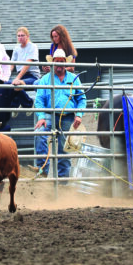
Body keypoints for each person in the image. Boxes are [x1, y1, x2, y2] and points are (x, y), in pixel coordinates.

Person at [34, 49, 86, 180]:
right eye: (56, 62)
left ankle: (63, 181)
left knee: (65, 149)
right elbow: (39, 100)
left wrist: (79, 114)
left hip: (68, 117)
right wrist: (40, 117)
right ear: (52, 63)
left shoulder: (74, 78)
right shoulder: (45, 79)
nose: (59, 65)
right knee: (40, 135)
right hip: (49, 115)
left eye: (61, 62)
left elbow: (82, 98)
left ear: (65, 63)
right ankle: (42, 171)